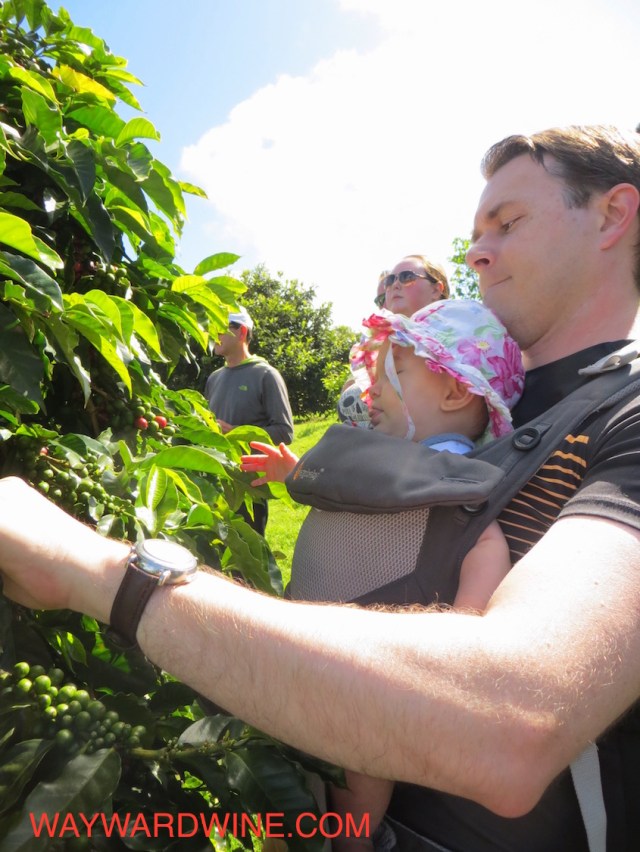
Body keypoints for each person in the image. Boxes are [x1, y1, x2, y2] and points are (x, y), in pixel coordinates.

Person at [1, 125, 640, 851]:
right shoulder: (465, 400)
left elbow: (515, 720)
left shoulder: (625, 417)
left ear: (614, 216)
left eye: (509, 222)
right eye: (474, 231)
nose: (477, 252)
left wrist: (94, 570)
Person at [242, 299, 525, 851]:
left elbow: (480, 548)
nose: (372, 392)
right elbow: (362, 486)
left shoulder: (460, 493)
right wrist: (292, 471)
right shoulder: (384, 464)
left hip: (369, 683)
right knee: (293, 796)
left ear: (453, 393)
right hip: (309, 651)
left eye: (392, 375)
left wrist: (465, 634)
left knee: (353, 784)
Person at [203, 307, 294, 534]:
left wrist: (236, 432)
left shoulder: (266, 375)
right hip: (212, 483)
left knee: (247, 556)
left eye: (219, 329)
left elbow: (284, 432)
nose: (212, 335)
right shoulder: (214, 378)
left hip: (248, 486)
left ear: (242, 332)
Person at [338, 258, 449, 427]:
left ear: (436, 289)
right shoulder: (381, 343)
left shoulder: (454, 337)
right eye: (390, 281)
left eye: (407, 277)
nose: (394, 285)